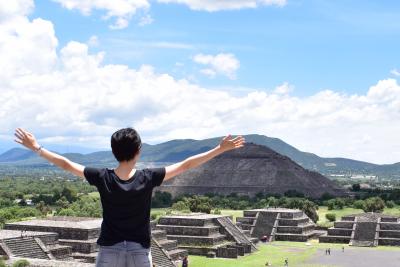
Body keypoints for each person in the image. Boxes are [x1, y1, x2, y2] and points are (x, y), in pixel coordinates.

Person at [14, 128, 245, 267]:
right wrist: (219, 149)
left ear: (114, 151)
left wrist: (37, 148)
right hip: (139, 251)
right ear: (138, 151)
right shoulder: (148, 177)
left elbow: (66, 164)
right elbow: (186, 164)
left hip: (109, 251)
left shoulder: (102, 176)